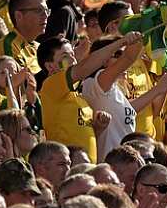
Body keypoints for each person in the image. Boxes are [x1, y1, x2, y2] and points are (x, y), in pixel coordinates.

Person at [37, 32, 142, 163]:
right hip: (67, 168)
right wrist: (121, 42)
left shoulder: (79, 97)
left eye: (73, 55)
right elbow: (84, 67)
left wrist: (99, 128)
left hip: (88, 168)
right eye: (65, 57)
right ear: (50, 66)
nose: (72, 61)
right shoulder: (50, 86)